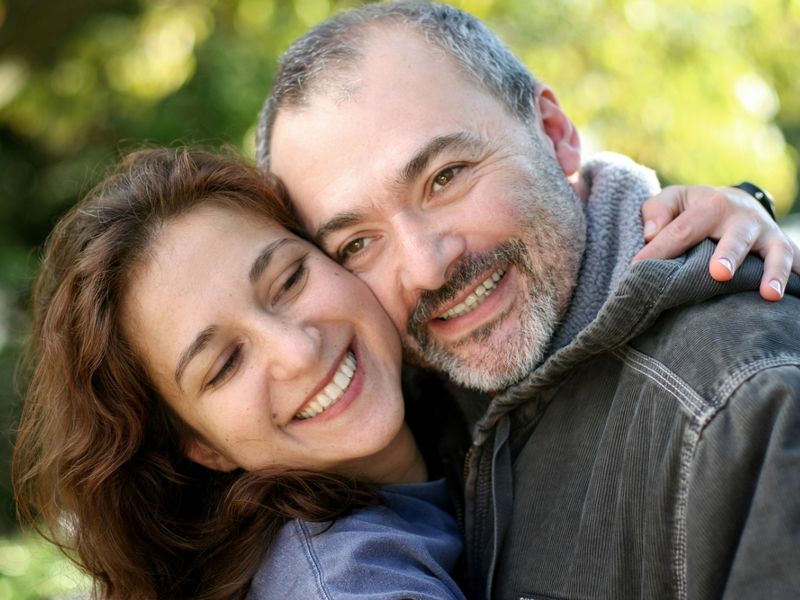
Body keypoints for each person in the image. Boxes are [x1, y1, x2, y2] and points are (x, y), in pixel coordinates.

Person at [255, 2, 800, 598]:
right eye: (357, 244)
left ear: (554, 133)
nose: (427, 268)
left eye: (446, 177)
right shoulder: (393, 409)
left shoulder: (746, 409)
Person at [13, 148, 467, 600]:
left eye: (289, 281)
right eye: (226, 364)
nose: (299, 351)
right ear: (202, 446)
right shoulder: (345, 582)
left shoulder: (458, 395)